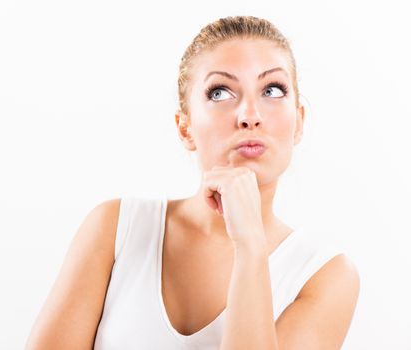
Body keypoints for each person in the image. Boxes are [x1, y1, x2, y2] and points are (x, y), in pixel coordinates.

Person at [25, 15, 360, 350]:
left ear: (298, 122)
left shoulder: (325, 275)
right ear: (185, 128)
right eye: (220, 92)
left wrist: (250, 248)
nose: (249, 115)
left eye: (272, 90)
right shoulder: (116, 229)